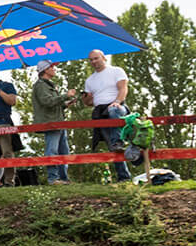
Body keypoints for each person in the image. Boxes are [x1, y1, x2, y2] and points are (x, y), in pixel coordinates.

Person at [82, 49, 133, 182]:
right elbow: (88, 102)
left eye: (96, 58)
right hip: (101, 112)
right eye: (91, 60)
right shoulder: (90, 80)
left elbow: (123, 88)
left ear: (103, 58)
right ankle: (124, 177)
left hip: (118, 108)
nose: (93, 62)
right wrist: (86, 98)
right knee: (112, 147)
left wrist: (116, 102)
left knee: (113, 111)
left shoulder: (116, 71)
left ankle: (119, 141)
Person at [32, 60, 73, 183]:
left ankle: (63, 178)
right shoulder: (40, 85)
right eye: (52, 67)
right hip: (51, 123)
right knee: (52, 150)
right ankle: (53, 178)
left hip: (58, 122)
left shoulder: (48, 84)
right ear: (45, 70)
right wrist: (66, 96)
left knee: (64, 151)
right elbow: (47, 102)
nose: (54, 69)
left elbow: (53, 104)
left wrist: (65, 104)